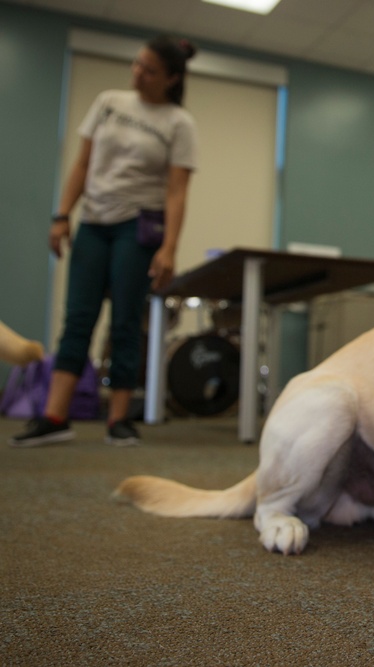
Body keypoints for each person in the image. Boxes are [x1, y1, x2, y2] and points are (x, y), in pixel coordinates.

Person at [10, 35, 198, 448]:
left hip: (139, 226)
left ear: (170, 78)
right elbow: (82, 163)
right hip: (94, 222)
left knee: (126, 321)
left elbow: (176, 192)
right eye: (136, 64)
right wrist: (62, 215)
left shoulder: (178, 123)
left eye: (149, 70)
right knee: (78, 316)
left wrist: (169, 248)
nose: (138, 73)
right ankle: (54, 416)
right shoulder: (109, 101)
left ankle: (118, 419)